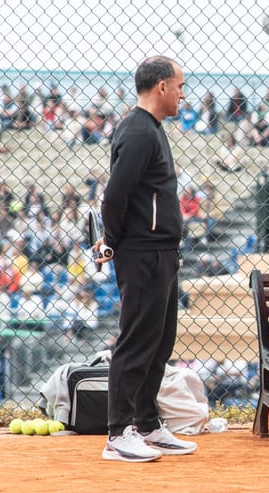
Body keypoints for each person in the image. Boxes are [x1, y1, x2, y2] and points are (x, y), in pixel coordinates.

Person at [95, 55, 196, 463]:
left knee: (160, 340)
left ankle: (148, 423)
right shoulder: (138, 130)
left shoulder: (150, 128)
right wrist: (115, 240)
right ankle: (118, 433)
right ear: (162, 87)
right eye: (180, 86)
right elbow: (114, 196)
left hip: (161, 251)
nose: (183, 94)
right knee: (137, 340)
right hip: (142, 251)